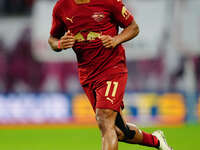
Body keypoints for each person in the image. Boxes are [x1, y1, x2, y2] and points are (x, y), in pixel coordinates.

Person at [48, 0, 173, 150]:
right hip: (87, 74)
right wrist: (60, 44)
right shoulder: (62, 6)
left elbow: (133, 28)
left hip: (112, 68)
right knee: (119, 131)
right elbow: (52, 39)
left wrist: (116, 40)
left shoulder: (108, 1)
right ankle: (156, 141)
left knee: (104, 119)